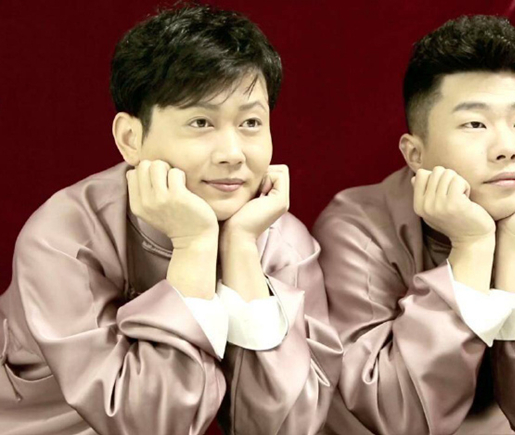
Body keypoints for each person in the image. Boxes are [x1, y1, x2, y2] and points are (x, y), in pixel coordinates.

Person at [0, 4, 341, 435]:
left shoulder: (283, 241)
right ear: (131, 139)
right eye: (201, 122)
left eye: (251, 122)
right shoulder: (62, 236)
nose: (232, 153)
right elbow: (150, 426)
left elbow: (290, 427)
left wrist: (241, 251)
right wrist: (194, 247)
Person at [313, 15, 515, 435]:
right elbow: (398, 418)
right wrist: (471, 248)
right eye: (475, 124)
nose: (507, 148)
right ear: (415, 154)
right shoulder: (359, 226)